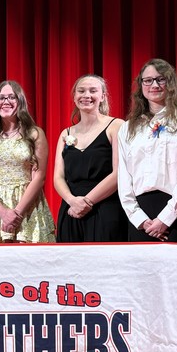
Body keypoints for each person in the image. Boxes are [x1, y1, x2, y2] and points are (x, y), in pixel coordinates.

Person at [0, 80, 55, 243]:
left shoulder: (35, 134)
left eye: (11, 97)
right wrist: (2, 211)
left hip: (27, 206)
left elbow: (39, 177)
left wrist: (17, 213)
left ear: (20, 101)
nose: (6, 102)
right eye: (1, 98)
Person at [117, 59, 177, 242]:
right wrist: (139, 219)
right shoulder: (128, 127)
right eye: (148, 80)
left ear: (170, 83)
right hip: (140, 216)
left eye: (161, 79)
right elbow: (124, 176)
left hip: (176, 210)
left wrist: (166, 218)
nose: (154, 85)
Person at [53, 75, 126, 242]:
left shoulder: (116, 126)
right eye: (81, 91)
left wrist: (87, 202)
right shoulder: (66, 133)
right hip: (71, 210)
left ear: (103, 96)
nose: (86, 95)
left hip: (105, 208)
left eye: (93, 91)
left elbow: (118, 173)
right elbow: (58, 177)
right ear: (74, 97)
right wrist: (72, 201)